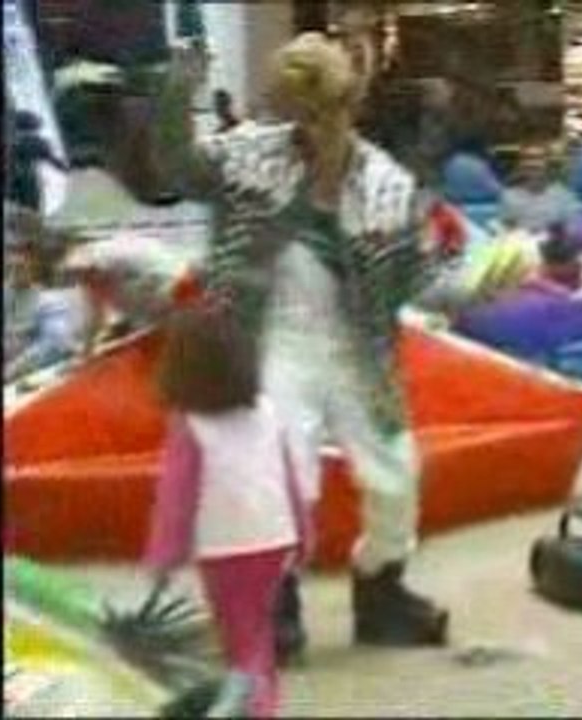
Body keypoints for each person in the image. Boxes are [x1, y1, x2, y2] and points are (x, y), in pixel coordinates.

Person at [113, 33, 468, 653]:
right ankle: (276, 603)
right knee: (281, 474)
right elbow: (177, 166)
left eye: (322, 112)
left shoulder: (386, 185)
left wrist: (484, 281)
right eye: (299, 114)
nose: (311, 128)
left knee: (395, 475)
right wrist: (178, 90)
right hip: (268, 340)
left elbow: (422, 282)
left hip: (359, 350)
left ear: (348, 106)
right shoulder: (249, 154)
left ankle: (381, 591)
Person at [145, 306, 313, 718]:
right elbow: (290, 477)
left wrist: (164, 556)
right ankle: (263, 701)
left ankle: (252, 706)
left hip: (225, 547)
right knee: (259, 632)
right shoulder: (266, 411)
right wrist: (305, 535)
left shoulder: (190, 423)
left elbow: (177, 498)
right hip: (274, 538)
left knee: (240, 641)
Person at [61, 234, 202, 359]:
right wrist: (87, 350)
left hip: (177, 296)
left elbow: (175, 279)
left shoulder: (119, 253)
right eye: (82, 278)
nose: (87, 281)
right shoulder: (91, 281)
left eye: (88, 274)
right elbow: (94, 318)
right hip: (157, 314)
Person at [4, 215, 78, 383]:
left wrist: (12, 370)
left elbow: (55, 343)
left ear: (36, 260)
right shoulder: (8, 292)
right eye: (11, 251)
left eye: (24, 253)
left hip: (20, 380)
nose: (16, 260)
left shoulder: (50, 300)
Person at [499, 144, 580, 234]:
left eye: (539, 158)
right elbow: (507, 232)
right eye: (528, 158)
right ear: (520, 164)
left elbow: (572, 231)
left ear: (548, 163)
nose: (533, 163)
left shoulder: (565, 196)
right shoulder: (509, 196)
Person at [7, 109, 68, 213]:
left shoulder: (13, 142)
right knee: (31, 210)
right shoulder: (38, 143)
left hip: (13, 182)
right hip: (28, 183)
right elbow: (54, 161)